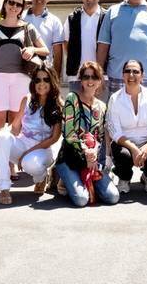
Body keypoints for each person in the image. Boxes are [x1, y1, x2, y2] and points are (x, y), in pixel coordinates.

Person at [0, 0, 49, 181]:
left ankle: (10, 166)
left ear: (21, 8)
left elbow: (45, 50)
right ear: (5, 4)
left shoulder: (28, 28)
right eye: (11, 2)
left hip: (21, 78)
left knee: (16, 123)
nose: (14, 6)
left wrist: (32, 48)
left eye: (18, 4)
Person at [0, 65, 64, 205]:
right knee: (1, 137)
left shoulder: (59, 104)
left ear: (52, 81)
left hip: (44, 149)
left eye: (46, 79)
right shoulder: (27, 99)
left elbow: (54, 138)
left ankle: (41, 178)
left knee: (30, 163)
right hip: (23, 144)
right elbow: (15, 127)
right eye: (37, 80)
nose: (41, 83)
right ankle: (4, 188)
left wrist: (28, 152)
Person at [55, 61, 119, 207]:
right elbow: (69, 134)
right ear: (81, 80)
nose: (90, 81)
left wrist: (94, 153)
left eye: (94, 77)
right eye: (86, 77)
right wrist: (86, 151)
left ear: (100, 80)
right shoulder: (72, 99)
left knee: (112, 197)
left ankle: (85, 181)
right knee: (81, 200)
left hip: (91, 159)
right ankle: (63, 177)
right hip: (71, 159)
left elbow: (100, 137)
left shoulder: (102, 106)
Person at [107, 59, 147, 194]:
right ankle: (124, 178)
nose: (131, 75)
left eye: (136, 71)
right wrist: (134, 149)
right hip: (125, 145)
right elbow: (114, 131)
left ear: (142, 75)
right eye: (127, 71)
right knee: (123, 155)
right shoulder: (115, 99)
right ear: (123, 75)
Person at [62, 0, 105, 96]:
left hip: (101, 76)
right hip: (77, 76)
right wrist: (74, 57)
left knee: (100, 112)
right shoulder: (72, 18)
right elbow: (65, 43)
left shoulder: (107, 17)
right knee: (76, 112)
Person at [24, 0, 65, 75]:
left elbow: (58, 53)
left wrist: (56, 77)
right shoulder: (21, 17)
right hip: (22, 71)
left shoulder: (55, 21)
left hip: (44, 72)